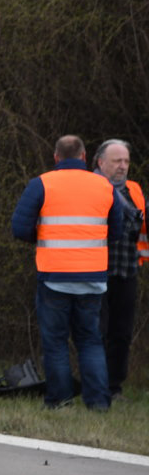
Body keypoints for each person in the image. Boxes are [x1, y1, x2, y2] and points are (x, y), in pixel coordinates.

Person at [11, 135, 116, 411]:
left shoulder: (42, 183)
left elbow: (19, 228)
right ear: (84, 157)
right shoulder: (104, 186)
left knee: (55, 342)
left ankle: (60, 400)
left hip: (54, 276)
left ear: (56, 157)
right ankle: (98, 404)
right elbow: (116, 229)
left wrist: (45, 237)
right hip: (93, 278)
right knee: (90, 341)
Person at [92, 139, 144, 400]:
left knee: (121, 334)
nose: (122, 166)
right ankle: (97, 386)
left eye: (125, 161)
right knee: (96, 332)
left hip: (126, 270)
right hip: (95, 270)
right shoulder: (90, 187)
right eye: (116, 161)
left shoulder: (134, 189)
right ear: (101, 163)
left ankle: (114, 387)